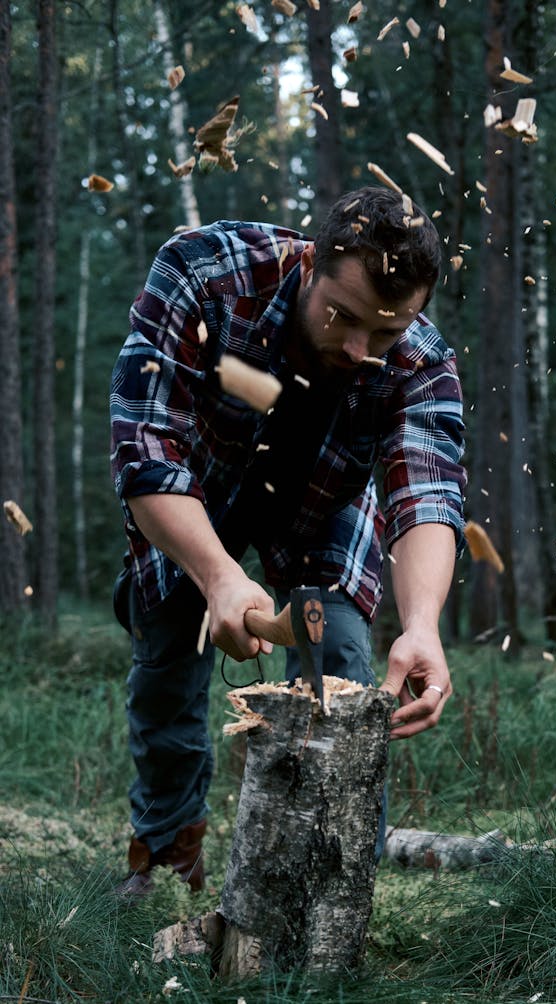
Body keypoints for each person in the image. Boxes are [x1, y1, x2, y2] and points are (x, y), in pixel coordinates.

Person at [110, 185, 467, 895]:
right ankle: (165, 855)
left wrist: (423, 625)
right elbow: (145, 448)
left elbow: (425, 492)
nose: (363, 349)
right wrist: (217, 576)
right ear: (310, 262)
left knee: (338, 666)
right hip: (194, 491)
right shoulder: (205, 271)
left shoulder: (420, 361)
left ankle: (333, 888)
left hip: (322, 505)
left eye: (388, 333)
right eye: (343, 317)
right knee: (168, 660)